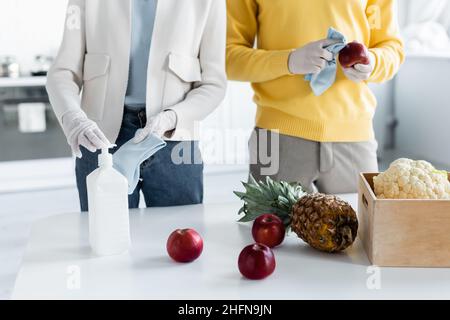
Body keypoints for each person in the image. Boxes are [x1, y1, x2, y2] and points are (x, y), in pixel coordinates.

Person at [47, 0, 227, 211]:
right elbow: (63, 72)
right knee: (105, 235)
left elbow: (213, 84)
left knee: (179, 234)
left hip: (174, 137)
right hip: (99, 136)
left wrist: (171, 118)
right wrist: (73, 118)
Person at [226, 0, 405, 193]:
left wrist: (374, 62)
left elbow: (391, 46)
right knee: (271, 223)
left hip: (355, 139)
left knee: (364, 223)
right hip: (277, 139)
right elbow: (229, 57)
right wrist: (288, 61)